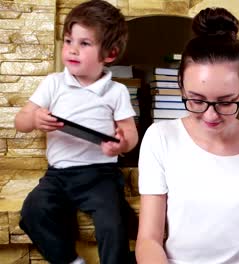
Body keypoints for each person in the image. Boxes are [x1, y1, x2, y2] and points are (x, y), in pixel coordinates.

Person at [136, 7, 239, 264]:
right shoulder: (160, 138)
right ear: (181, 87)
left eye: (226, 102)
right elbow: (149, 240)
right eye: (196, 100)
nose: (211, 116)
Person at [14, 0, 138, 263]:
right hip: (58, 175)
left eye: (84, 44)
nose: (72, 49)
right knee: (33, 210)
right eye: (69, 41)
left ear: (110, 54)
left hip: (100, 174)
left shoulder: (116, 91)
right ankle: (70, 260)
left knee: (113, 221)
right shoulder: (53, 83)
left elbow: (130, 134)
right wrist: (35, 119)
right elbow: (20, 121)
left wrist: (121, 143)